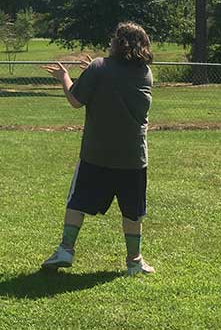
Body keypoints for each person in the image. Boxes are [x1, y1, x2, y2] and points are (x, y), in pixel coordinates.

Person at [41, 22, 155, 276]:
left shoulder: (99, 67)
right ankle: (134, 261)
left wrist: (64, 77)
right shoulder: (145, 72)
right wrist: (94, 70)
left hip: (97, 154)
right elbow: (115, 82)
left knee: (77, 202)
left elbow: (75, 100)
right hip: (133, 156)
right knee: (133, 210)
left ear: (117, 42)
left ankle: (65, 250)